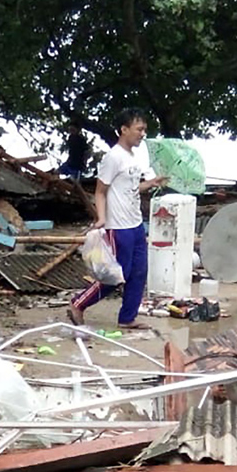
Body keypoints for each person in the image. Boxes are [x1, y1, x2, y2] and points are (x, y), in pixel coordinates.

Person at [68, 108, 167, 328]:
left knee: (139, 272)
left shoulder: (133, 157)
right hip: (118, 226)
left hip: (136, 224)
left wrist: (150, 183)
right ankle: (78, 303)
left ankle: (127, 319)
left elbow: (130, 188)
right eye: (139, 129)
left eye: (144, 130)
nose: (143, 134)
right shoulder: (113, 157)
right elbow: (100, 191)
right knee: (117, 274)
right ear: (124, 129)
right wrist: (102, 218)